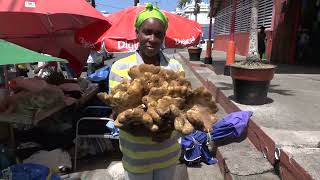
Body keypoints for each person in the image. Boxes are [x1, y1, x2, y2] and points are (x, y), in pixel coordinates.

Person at [108, 3, 184, 180]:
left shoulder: (175, 67)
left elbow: (182, 107)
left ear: (164, 36)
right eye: (147, 32)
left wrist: (167, 122)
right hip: (136, 155)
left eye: (158, 34)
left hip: (168, 152)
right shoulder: (120, 67)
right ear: (137, 33)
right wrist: (148, 123)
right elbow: (117, 112)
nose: (152, 38)